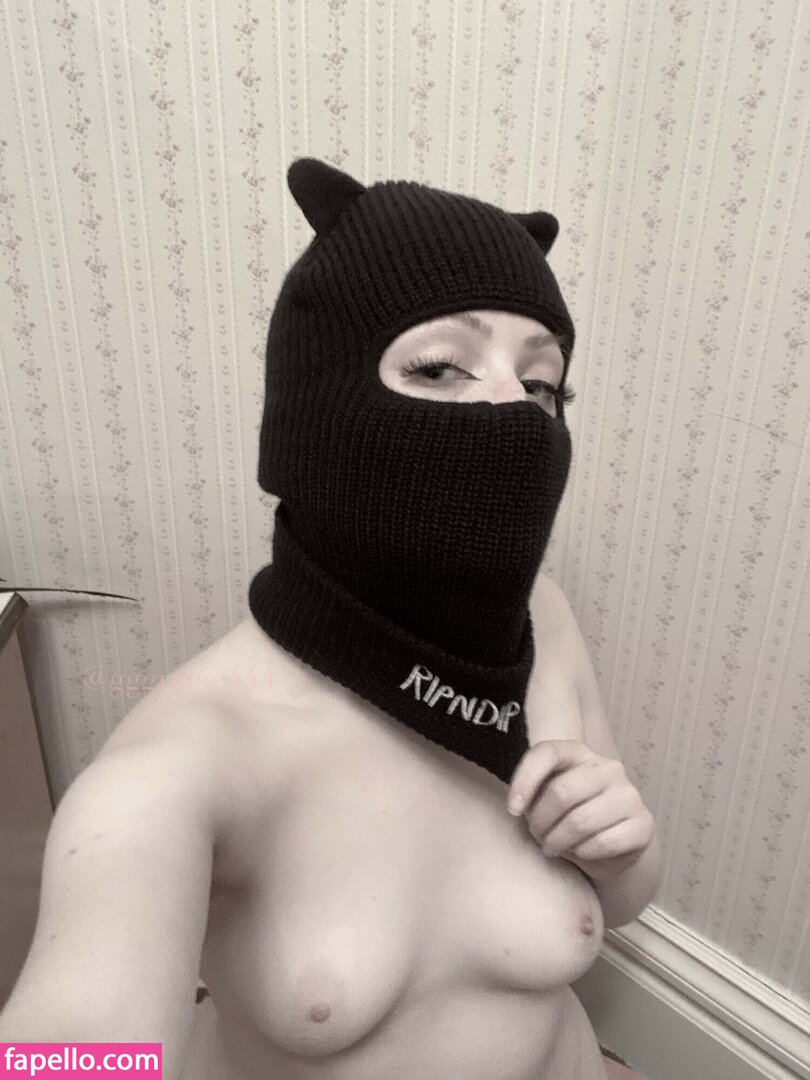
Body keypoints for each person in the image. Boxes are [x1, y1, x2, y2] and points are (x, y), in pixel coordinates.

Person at [0, 158, 661, 1079]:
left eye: (542, 383)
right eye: (440, 367)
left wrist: (622, 851)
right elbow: (77, 1041)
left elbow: (622, 900)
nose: (513, 412)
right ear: (321, 413)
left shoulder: (539, 622)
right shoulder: (183, 764)